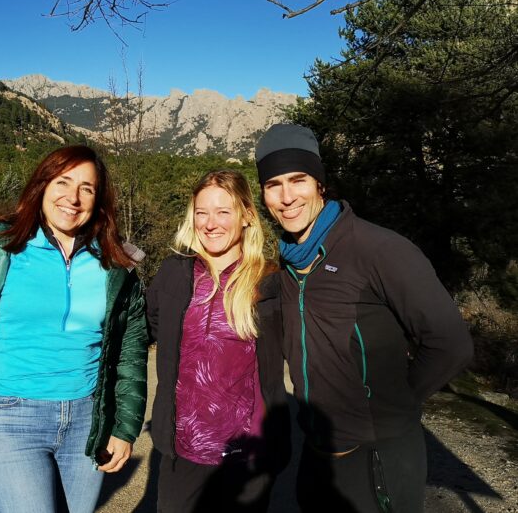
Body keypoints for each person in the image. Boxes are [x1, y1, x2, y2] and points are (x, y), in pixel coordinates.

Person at [0, 145, 149, 513]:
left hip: (86, 419)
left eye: (87, 188)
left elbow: (131, 349)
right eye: (63, 182)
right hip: (8, 417)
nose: (73, 197)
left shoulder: (115, 263)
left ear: (99, 199)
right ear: (42, 185)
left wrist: (124, 427)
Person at [254, 124, 474, 512]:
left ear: (320, 183)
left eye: (298, 180)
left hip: (379, 456)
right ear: (263, 193)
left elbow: (450, 344)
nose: (287, 197)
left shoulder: (378, 249)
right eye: (274, 184)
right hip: (318, 452)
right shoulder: (288, 263)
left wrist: (391, 409)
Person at [147, 170, 290, 513]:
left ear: (246, 216)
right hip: (184, 452)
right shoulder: (174, 273)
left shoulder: (270, 282)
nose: (211, 223)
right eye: (202, 212)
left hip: (248, 458)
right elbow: (151, 325)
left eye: (223, 211)